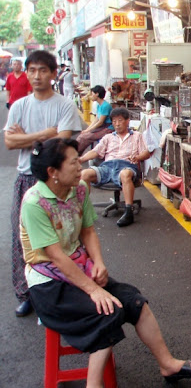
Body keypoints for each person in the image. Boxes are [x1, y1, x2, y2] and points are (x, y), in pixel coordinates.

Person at [21, 138, 191, 386]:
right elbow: (55, 255)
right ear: (52, 172)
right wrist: (93, 289)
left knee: (134, 301)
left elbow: (87, 231)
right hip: (49, 285)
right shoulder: (34, 203)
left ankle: (168, 364)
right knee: (108, 311)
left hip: (79, 269)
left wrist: (98, 263)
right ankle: (94, 384)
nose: (80, 167)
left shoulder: (79, 190)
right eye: (74, 162)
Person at [3, 50, 83, 317]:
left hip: (58, 182)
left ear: (53, 74)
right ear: (26, 73)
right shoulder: (19, 106)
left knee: (66, 236)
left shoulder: (64, 105)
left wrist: (29, 139)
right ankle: (28, 293)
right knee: (23, 240)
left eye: (42, 71)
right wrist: (45, 135)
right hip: (26, 179)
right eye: (32, 70)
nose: (37, 76)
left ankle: (66, 286)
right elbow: (9, 142)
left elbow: (60, 146)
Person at [79, 107, 150, 227]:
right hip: (107, 166)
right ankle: (84, 211)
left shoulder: (137, 136)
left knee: (125, 174)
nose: (117, 124)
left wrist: (137, 157)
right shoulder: (108, 137)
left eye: (120, 120)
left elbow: (146, 153)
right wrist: (81, 159)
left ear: (127, 121)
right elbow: (96, 151)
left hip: (126, 165)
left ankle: (128, 211)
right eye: (114, 121)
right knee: (84, 174)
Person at [76, 85, 113, 155]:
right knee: (82, 136)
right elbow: (96, 119)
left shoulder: (106, 106)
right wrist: (87, 130)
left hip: (108, 128)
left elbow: (100, 122)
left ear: (97, 94)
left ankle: (77, 154)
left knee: (84, 137)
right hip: (102, 127)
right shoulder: (99, 105)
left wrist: (87, 131)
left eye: (92, 94)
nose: (91, 96)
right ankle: (76, 153)